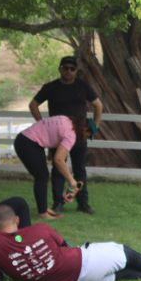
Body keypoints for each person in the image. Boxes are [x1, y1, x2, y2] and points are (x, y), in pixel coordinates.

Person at [0, 204, 141, 281]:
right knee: (124, 252)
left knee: (123, 275)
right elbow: (65, 245)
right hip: (82, 263)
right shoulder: (40, 229)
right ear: (17, 220)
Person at [29, 55, 103, 215]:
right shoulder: (50, 87)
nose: (68, 71)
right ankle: (58, 203)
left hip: (79, 134)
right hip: (57, 135)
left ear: (76, 71)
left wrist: (95, 127)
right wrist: (42, 123)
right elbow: (33, 104)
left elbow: (98, 105)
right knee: (58, 168)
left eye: (72, 69)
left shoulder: (83, 86)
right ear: (60, 69)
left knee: (79, 168)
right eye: (65, 68)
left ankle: (83, 203)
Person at [14, 115, 90, 219]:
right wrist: (71, 180)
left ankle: (43, 209)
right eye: (89, 135)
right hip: (28, 143)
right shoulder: (71, 135)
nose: (87, 138)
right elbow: (58, 159)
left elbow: (50, 133)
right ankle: (42, 212)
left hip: (24, 139)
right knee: (42, 176)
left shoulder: (66, 119)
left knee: (42, 176)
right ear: (84, 129)